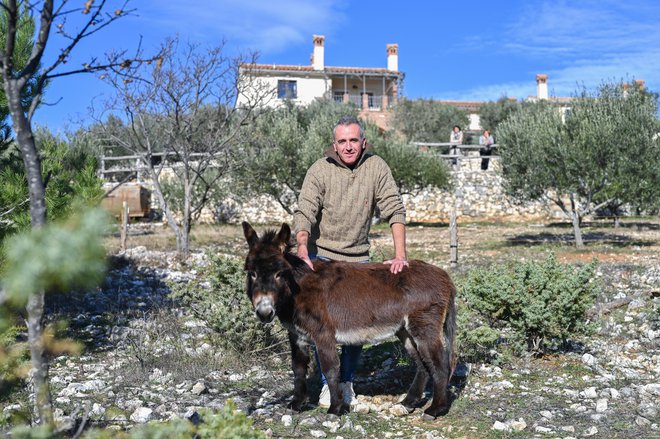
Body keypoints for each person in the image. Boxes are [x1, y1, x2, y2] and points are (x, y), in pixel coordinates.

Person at [293, 115, 408, 409]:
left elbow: (394, 209)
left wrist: (400, 255)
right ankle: (325, 384)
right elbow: (305, 211)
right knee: (323, 327)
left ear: (363, 142)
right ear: (335, 144)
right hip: (323, 258)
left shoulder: (376, 167)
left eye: (353, 140)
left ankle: (346, 381)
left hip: (359, 258)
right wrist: (303, 248)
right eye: (342, 141)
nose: (348, 147)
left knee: (357, 328)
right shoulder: (319, 170)